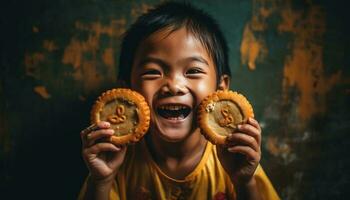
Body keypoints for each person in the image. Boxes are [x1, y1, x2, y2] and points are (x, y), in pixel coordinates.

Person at [78, 2, 280, 200]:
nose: (174, 85)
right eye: (152, 72)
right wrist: (101, 181)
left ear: (221, 89)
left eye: (193, 71)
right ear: (127, 91)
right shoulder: (114, 161)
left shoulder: (236, 159)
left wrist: (244, 183)